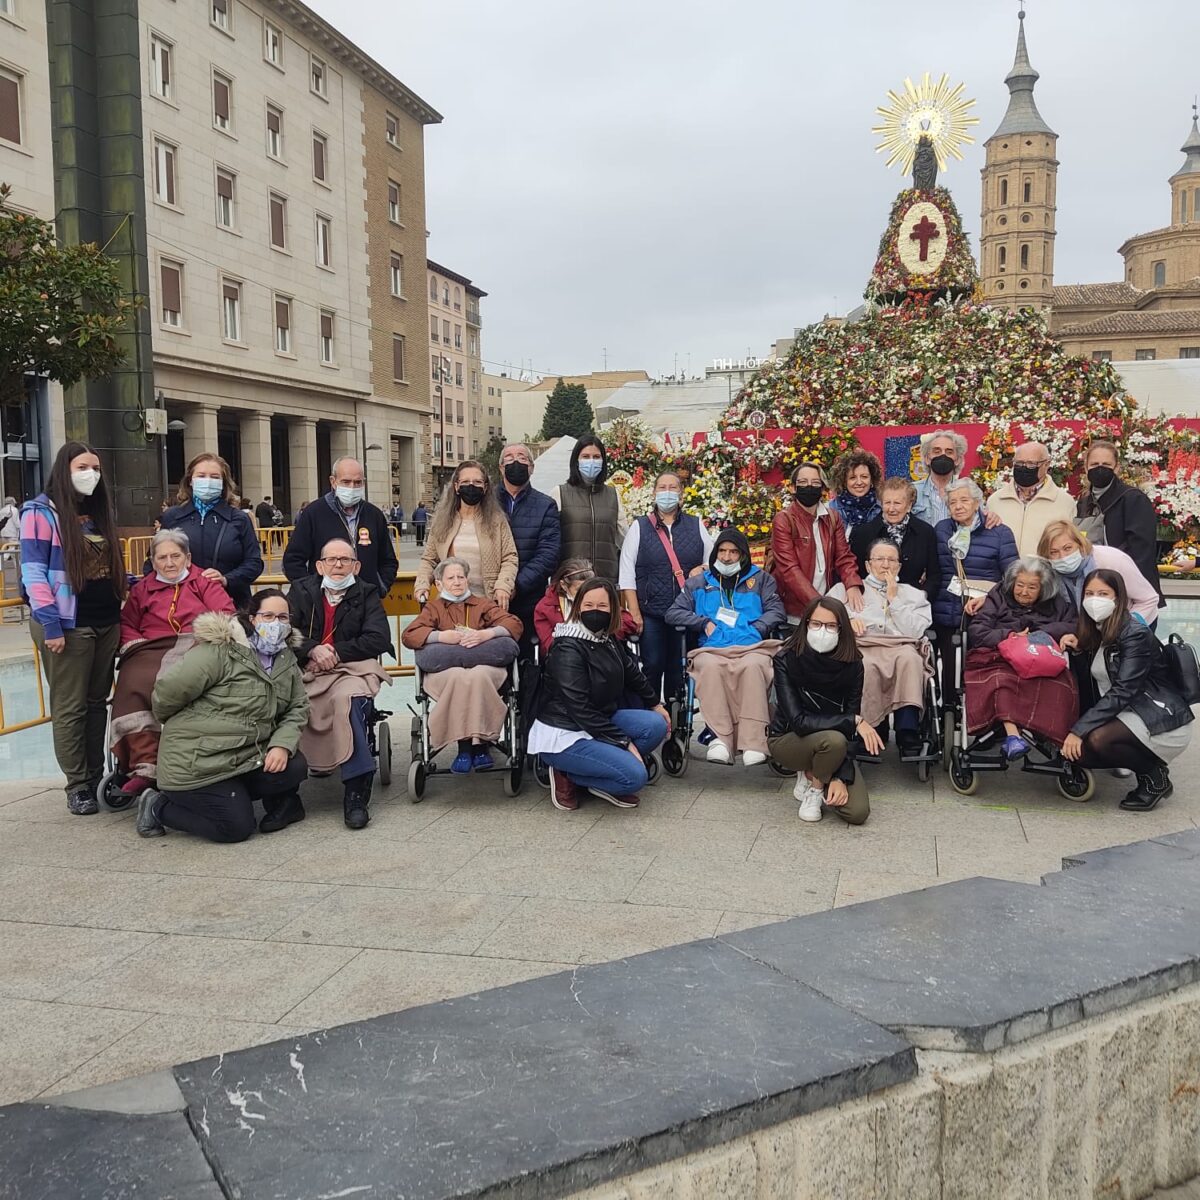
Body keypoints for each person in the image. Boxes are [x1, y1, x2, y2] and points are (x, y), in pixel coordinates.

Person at [135, 589, 310, 842]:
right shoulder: (220, 651)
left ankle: (237, 797)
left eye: (283, 617)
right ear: (252, 618)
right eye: (268, 616)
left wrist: (282, 745)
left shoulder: (286, 659)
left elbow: (297, 707)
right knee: (236, 829)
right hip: (198, 760)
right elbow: (167, 694)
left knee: (294, 765)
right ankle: (157, 806)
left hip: (244, 754)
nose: (276, 624)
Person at [20, 442, 127, 815]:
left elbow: (109, 568)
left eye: (96, 468)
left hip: (106, 620)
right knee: (70, 707)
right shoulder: (40, 512)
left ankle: (95, 776)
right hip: (67, 623)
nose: (91, 474)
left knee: (98, 703)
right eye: (83, 467)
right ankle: (77, 784)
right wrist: (50, 623)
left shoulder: (98, 514)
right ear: (64, 470)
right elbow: (33, 571)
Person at [113, 529, 236, 799]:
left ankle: (188, 761)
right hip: (150, 649)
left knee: (189, 682)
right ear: (153, 561)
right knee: (132, 682)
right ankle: (145, 766)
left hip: (196, 645)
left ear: (187, 557)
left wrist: (207, 639)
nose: (169, 563)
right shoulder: (142, 589)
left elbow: (225, 615)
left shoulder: (203, 582)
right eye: (162, 558)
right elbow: (127, 624)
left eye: (175, 556)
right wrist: (134, 644)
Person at [529, 576, 669, 812]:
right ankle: (567, 773)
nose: (595, 612)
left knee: (655, 724)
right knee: (635, 778)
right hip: (566, 732)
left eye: (602, 606)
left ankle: (601, 769)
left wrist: (656, 704)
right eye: (588, 606)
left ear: (613, 608)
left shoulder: (606, 637)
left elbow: (631, 672)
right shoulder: (567, 647)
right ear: (578, 607)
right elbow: (579, 708)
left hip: (599, 719)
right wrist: (624, 743)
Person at [1061, 569, 1193, 811]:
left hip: (1158, 716)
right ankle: (1147, 764)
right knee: (1077, 755)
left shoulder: (1135, 633)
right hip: (1127, 712)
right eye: (1089, 593)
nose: (1095, 599)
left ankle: (1154, 776)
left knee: (1097, 740)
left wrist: (1079, 730)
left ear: (1118, 597)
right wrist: (1079, 648)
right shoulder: (1098, 630)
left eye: (1103, 593)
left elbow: (1124, 690)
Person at [288, 538, 392, 829]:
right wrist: (310, 649)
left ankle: (356, 789)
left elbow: (379, 638)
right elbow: (283, 631)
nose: (337, 565)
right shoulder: (301, 591)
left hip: (350, 669)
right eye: (331, 560)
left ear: (356, 566)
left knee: (347, 702)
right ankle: (284, 793)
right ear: (319, 565)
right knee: (284, 702)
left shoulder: (367, 593)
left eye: (344, 560)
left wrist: (333, 652)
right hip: (305, 667)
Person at [664, 528, 784, 766]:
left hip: (752, 647)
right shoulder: (698, 583)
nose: (727, 557)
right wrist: (702, 622)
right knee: (709, 667)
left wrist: (758, 628)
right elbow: (673, 613)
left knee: (754, 667)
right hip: (712, 649)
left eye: (733, 552)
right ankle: (719, 738)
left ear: (743, 555)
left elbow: (776, 610)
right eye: (722, 551)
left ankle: (753, 741)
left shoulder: (761, 580)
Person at [768, 595, 882, 825]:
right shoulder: (786, 658)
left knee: (857, 812)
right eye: (816, 624)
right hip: (789, 739)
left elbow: (850, 726)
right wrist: (853, 721)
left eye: (831, 626)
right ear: (806, 623)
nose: (823, 631)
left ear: (841, 628)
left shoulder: (853, 664)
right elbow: (798, 721)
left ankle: (819, 771)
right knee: (834, 740)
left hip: (834, 744)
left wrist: (841, 776)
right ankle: (815, 788)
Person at [401, 557, 523, 773]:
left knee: (477, 677)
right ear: (439, 584)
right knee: (459, 677)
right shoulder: (433, 608)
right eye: (451, 578)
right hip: (448, 672)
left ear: (467, 580)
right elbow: (409, 635)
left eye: (461, 577)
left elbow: (513, 623)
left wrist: (485, 634)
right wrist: (440, 637)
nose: (457, 582)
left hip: (484, 671)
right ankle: (465, 747)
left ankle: (479, 746)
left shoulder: (483, 604)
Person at [964, 556, 1078, 760]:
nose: (1024, 592)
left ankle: (1053, 737)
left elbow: (1073, 625)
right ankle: (1013, 736)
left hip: (1039, 657)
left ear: (1043, 588)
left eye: (1032, 587)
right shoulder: (998, 595)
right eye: (1020, 585)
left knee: (1061, 684)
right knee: (1002, 681)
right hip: (999, 655)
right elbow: (978, 631)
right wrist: (1010, 635)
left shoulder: (1056, 604)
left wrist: (1041, 633)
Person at [831, 539, 933, 757]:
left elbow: (915, 631)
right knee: (863, 665)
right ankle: (872, 727)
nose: (885, 565)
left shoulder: (913, 594)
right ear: (868, 565)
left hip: (901, 646)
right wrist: (846, 622)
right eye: (879, 559)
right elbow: (824, 616)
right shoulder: (847, 589)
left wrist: (894, 599)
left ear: (899, 566)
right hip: (864, 646)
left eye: (891, 560)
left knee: (911, 660)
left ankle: (908, 729)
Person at [620, 470, 713, 700]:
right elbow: (626, 573)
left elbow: (714, 562)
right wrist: (635, 612)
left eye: (673, 488)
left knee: (679, 670)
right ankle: (652, 717)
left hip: (685, 612)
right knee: (652, 666)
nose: (667, 493)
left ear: (681, 494)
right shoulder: (639, 527)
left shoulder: (695, 525)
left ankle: (677, 723)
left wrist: (701, 569)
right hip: (652, 612)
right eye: (662, 487)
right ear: (653, 493)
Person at [931, 478, 1020, 698]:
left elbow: (1012, 576)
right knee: (948, 669)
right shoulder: (941, 530)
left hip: (984, 611)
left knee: (980, 668)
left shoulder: (999, 532)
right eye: (952, 502)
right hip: (946, 609)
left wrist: (990, 598)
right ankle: (947, 714)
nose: (958, 506)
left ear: (977, 502)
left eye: (964, 500)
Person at [283, 458, 399, 598]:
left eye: (357, 482)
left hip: (366, 601)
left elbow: (388, 560)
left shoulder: (374, 515)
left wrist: (380, 587)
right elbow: (292, 560)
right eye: (346, 482)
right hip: (324, 602)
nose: (352, 487)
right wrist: (310, 592)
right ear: (333, 482)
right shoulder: (314, 513)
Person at [159, 454, 263, 609]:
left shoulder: (239, 519)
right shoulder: (172, 517)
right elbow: (153, 560)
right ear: (190, 481)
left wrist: (227, 579)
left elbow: (254, 563)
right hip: (181, 605)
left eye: (215, 477)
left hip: (231, 604)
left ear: (223, 483)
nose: (208, 481)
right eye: (201, 476)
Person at [769, 461, 864, 620]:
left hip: (828, 601)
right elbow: (789, 569)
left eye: (815, 483)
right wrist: (819, 605)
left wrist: (852, 583)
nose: (809, 487)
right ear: (793, 487)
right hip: (795, 610)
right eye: (803, 482)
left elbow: (843, 556)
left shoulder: (832, 518)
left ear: (822, 489)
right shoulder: (784, 519)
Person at [415, 461, 518, 606]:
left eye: (477, 482)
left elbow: (510, 558)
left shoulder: (497, 521)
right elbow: (429, 559)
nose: (471, 486)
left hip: (487, 603)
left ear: (485, 487)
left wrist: (503, 586)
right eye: (465, 481)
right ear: (456, 486)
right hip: (450, 604)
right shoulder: (443, 521)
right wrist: (422, 584)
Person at [1075, 438, 1164, 607]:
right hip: (1094, 588)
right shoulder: (1084, 502)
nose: (1100, 469)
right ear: (1086, 467)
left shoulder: (1133, 499)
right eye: (1094, 464)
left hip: (1128, 591)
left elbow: (1142, 551)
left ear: (1117, 468)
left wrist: (1126, 589)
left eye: (1106, 465)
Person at [496, 443, 561, 654]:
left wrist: (516, 585)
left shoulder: (546, 505)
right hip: (489, 598)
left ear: (532, 467)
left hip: (528, 601)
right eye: (509, 458)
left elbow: (548, 553)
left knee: (529, 663)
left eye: (522, 458)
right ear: (500, 467)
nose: (516, 462)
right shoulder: (486, 502)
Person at [1038, 521, 1160, 626]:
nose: (1063, 557)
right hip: (1089, 629)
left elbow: (1149, 599)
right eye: (1053, 552)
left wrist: (1127, 628)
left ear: (1080, 544)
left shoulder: (1113, 560)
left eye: (1067, 548)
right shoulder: (1049, 572)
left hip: (1135, 619)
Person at [849, 477, 941, 603]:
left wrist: (921, 597)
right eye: (887, 503)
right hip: (872, 605)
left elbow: (934, 575)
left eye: (897, 503)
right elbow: (855, 573)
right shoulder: (862, 533)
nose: (891, 509)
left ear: (909, 506)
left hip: (912, 605)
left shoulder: (925, 532)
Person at [551, 435, 627, 585]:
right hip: (571, 581)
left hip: (605, 580)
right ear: (576, 461)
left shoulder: (613, 495)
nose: (591, 461)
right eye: (585, 456)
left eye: (596, 457)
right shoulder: (560, 493)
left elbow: (624, 536)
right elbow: (551, 541)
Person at [986, 441, 1076, 557]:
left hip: (1045, 573)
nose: (1024, 468)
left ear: (1046, 464)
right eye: (1019, 463)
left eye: (1031, 464)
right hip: (1004, 573)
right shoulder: (995, 500)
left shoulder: (1064, 502)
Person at [534, 558, 638, 651]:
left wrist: (607, 626)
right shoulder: (546, 607)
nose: (585, 594)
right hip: (566, 655)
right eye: (579, 590)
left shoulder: (600, 597)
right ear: (563, 585)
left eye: (589, 588)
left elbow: (629, 622)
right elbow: (550, 645)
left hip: (602, 653)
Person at [828, 449, 883, 538]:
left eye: (864, 477)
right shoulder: (831, 509)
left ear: (872, 479)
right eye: (852, 478)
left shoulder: (882, 507)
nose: (859, 482)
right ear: (844, 481)